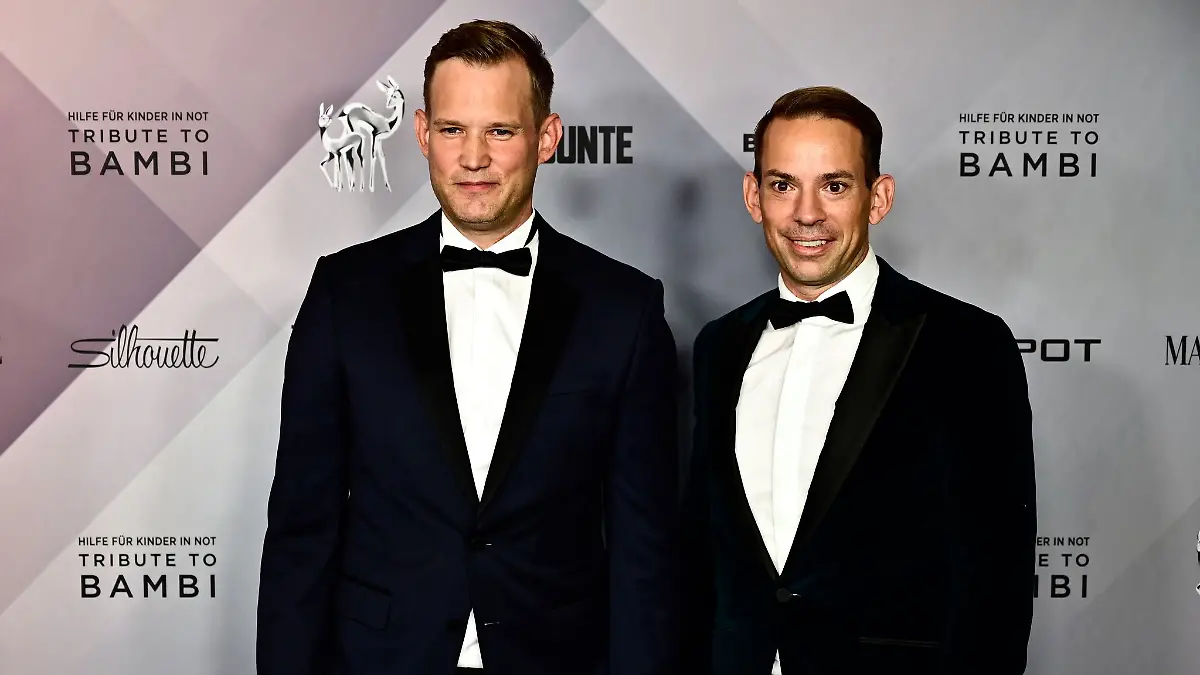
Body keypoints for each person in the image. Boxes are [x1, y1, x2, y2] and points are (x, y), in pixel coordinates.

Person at [257, 19, 680, 675]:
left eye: (501, 131)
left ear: (546, 137)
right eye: (453, 130)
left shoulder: (622, 309)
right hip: (380, 658)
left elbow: (642, 551)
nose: (473, 157)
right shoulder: (346, 295)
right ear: (423, 134)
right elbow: (300, 532)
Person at [681, 86, 1036, 674]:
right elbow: (703, 547)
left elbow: (995, 577)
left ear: (879, 197)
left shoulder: (965, 345)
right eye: (783, 184)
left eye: (835, 185)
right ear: (753, 196)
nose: (807, 213)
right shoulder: (720, 346)